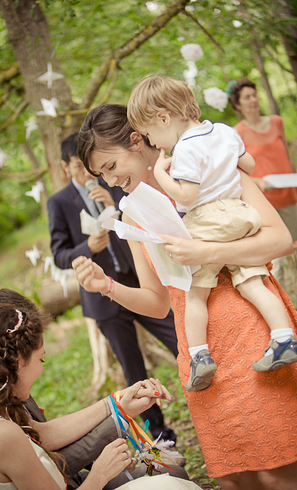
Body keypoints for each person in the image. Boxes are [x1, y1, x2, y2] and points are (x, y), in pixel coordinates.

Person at [74, 103, 297, 490]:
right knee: (235, 477)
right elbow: (157, 301)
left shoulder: (213, 170)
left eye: (111, 166)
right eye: (101, 174)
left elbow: (280, 239)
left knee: (277, 469)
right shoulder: (132, 215)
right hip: (199, 350)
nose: (109, 181)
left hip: (253, 328)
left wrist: (209, 254)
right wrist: (105, 286)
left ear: (138, 140)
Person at [125, 75, 297, 391]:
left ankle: (199, 355)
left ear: (164, 118)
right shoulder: (223, 131)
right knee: (252, 282)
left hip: (206, 221)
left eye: (151, 134)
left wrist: (162, 173)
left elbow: (186, 197)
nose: (154, 144)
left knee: (196, 293)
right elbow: (248, 162)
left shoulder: (185, 150)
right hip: (240, 215)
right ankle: (284, 337)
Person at [0, 289, 194, 490]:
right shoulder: (1, 433)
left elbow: (41, 433)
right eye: (41, 360)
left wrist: (116, 404)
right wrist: (99, 474)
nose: (41, 370)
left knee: (173, 475)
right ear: (17, 360)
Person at [47, 133, 181, 447]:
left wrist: (113, 205)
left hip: (139, 285)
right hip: (102, 299)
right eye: (78, 166)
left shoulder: (114, 182)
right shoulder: (58, 202)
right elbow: (59, 254)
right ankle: (159, 433)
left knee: (177, 335)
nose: (86, 172)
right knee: (132, 367)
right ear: (66, 167)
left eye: (88, 166)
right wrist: (87, 247)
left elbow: (137, 223)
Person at [229, 78, 297, 286]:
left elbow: (286, 154)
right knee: (275, 259)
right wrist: (258, 181)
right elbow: (236, 169)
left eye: (254, 95)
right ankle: (283, 298)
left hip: (289, 195)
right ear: (238, 105)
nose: (253, 100)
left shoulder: (276, 121)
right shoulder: (236, 132)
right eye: (247, 97)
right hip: (264, 202)